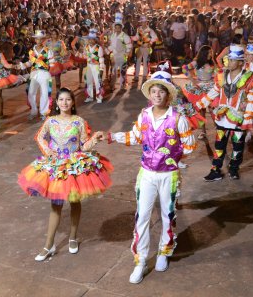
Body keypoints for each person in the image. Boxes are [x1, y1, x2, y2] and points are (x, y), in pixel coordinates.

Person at [108, 68, 196, 284]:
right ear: (150, 94)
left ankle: (164, 252)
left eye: (161, 91)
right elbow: (136, 136)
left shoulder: (178, 119)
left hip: (169, 175)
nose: (157, 95)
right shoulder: (144, 115)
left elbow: (191, 146)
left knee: (168, 214)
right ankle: (140, 261)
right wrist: (111, 136)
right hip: (146, 174)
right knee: (142, 217)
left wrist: (172, 157)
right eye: (154, 91)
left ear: (168, 95)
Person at [18, 88, 111, 261]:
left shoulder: (79, 122)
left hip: (74, 167)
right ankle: (49, 245)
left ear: (73, 102)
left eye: (68, 99)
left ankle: (73, 238)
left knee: (75, 202)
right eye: (61, 99)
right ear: (57, 102)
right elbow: (39, 137)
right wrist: (48, 151)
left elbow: (84, 146)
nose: (65, 103)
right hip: (56, 167)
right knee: (56, 205)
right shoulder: (51, 121)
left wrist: (95, 139)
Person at [196, 44, 253, 181]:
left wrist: (248, 117)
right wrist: (202, 102)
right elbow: (215, 91)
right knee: (219, 145)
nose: (228, 62)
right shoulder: (222, 75)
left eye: (232, 60)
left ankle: (234, 169)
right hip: (222, 116)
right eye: (228, 59)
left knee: (237, 146)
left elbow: (252, 98)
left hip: (238, 117)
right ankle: (216, 170)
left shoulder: (249, 77)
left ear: (240, 62)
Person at [181, 45, 217, 139]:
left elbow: (217, 72)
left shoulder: (212, 62)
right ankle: (203, 131)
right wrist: (192, 80)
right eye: (209, 53)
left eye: (211, 52)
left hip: (211, 87)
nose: (211, 54)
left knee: (213, 109)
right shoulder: (196, 62)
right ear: (204, 53)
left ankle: (218, 129)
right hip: (199, 88)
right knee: (201, 110)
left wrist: (215, 76)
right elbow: (184, 68)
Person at [25, 29, 53, 120]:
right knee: (31, 93)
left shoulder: (48, 50)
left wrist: (50, 67)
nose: (39, 41)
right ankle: (33, 111)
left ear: (43, 40)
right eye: (37, 39)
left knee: (44, 93)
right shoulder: (31, 51)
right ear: (35, 40)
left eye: (41, 39)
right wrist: (22, 66)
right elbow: (30, 63)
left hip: (44, 73)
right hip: (34, 74)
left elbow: (52, 63)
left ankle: (43, 112)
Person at [82, 29, 105, 103]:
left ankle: (99, 97)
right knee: (88, 81)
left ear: (95, 40)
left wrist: (101, 69)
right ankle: (90, 96)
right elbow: (85, 56)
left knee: (98, 81)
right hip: (89, 66)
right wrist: (77, 54)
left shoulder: (99, 48)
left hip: (96, 66)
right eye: (89, 40)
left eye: (92, 40)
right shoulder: (86, 47)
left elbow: (101, 59)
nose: (90, 41)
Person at [108, 22, 132, 90]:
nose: (117, 29)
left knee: (123, 71)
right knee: (113, 71)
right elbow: (112, 45)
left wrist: (127, 53)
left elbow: (129, 45)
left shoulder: (125, 36)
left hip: (122, 55)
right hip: (114, 55)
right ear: (114, 28)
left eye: (119, 28)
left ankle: (122, 86)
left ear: (121, 28)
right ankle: (112, 86)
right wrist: (107, 50)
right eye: (116, 28)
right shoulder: (112, 35)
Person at [133, 16, 158, 81]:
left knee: (145, 62)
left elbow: (155, 37)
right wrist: (131, 38)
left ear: (146, 22)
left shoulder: (150, 30)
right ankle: (136, 76)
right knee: (137, 62)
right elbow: (136, 37)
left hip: (146, 47)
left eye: (144, 22)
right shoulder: (139, 29)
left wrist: (150, 42)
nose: (142, 23)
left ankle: (144, 76)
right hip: (139, 47)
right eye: (141, 22)